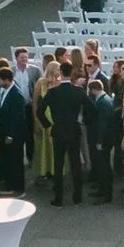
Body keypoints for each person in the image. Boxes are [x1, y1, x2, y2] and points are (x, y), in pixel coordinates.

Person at [38, 70, 87, 207]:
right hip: (73, 131)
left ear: (60, 74)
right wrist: (83, 121)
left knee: (58, 165)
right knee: (75, 164)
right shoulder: (78, 91)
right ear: (71, 74)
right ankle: (78, 196)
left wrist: (48, 124)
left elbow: (40, 110)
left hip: (58, 131)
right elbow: (91, 107)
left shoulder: (53, 91)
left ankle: (58, 198)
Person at [0, 66, 28, 196]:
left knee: (16, 161)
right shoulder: (5, 90)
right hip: (4, 132)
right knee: (8, 159)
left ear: (6, 80)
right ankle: (9, 183)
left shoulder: (16, 95)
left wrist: (10, 135)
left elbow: (16, 118)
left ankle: (19, 188)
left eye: (0, 80)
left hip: (14, 136)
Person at [87, 79, 118, 203]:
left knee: (104, 166)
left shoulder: (102, 103)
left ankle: (106, 194)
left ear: (94, 90)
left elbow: (102, 124)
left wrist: (99, 141)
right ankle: (102, 189)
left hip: (104, 140)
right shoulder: (107, 99)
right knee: (103, 166)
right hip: (108, 138)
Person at [32, 63, 58, 183]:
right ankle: (44, 170)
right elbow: (35, 102)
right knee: (43, 146)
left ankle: (54, 170)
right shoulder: (40, 83)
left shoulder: (59, 82)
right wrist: (36, 119)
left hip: (55, 118)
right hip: (43, 119)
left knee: (54, 145)